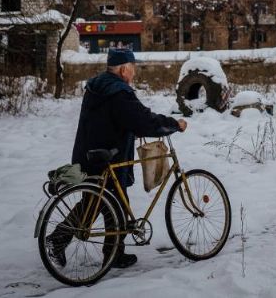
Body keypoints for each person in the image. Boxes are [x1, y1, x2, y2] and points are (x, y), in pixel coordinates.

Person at [47, 48, 187, 269]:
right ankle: (70, 242)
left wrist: (131, 127)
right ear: (123, 69)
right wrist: (173, 124)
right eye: (132, 69)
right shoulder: (119, 92)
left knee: (98, 203)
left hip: (88, 153)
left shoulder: (98, 86)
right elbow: (143, 119)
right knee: (108, 204)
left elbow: (113, 118)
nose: (134, 74)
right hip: (108, 157)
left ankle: (110, 252)